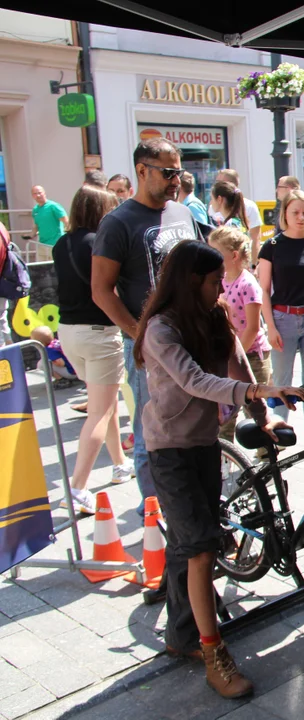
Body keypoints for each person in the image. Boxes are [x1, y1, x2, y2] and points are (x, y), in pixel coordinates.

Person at [135, 240, 304, 699]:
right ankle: (213, 653)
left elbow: (238, 363)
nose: (222, 289)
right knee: (202, 551)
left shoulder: (212, 317)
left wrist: (262, 413)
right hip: (169, 449)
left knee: (190, 542)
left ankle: (182, 634)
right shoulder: (160, 329)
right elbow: (193, 379)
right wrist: (254, 395)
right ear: (192, 281)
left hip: (205, 444)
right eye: (215, 282)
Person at [92, 137, 199, 502]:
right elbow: (101, 291)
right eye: (168, 173)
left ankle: (189, 505)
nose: (176, 181)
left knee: (195, 424)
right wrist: (140, 336)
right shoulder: (118, 222)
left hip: (192, 338)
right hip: (148, 348)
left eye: (178, 172)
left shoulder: (183, 213)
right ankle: (155, 514)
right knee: (151, 432)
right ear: (142, 170)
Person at [54, 185, 132, 514]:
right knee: (99, 411)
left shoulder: (61, 244)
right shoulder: (99, 243)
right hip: (99, 333)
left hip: (69, 332)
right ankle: (77, 487)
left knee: (105, 401)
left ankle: (119, 464)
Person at [258, 190, 304, 446]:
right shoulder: (272, 246)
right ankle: (279, 435)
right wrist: (270, 326)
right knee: (281, 380)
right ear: (285, 214)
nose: (301, 217)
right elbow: (263, 290)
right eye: (295, 212)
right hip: (282, 318)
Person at [208, 226, 272, 442]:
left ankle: (267, 457)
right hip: (228, 356)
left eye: (215, 252)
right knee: (224, 414)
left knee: (255, 412)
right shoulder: (219, 281)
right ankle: (224, 458)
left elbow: (253, 328)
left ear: (233, 256)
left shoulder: (248, 284)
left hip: (251, 357)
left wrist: (235, 358)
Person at [215, 169, 263, 257]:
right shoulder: (213, 207)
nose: (215, 185)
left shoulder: (249, 206)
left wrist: (254, 265)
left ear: (229, 183)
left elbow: (255, 238)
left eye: (218, 182)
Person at [31, 185, 69, 261]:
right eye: (35, 194)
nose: (38, 195)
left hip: (55, 244)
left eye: (39, 193)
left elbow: (66, 222)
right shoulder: (35, 210)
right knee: (41, 269)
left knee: (56, 268)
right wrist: (31, 235)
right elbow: (36, 225)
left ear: (44, 193)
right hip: (42, 244)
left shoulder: (53, 206)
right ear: (32, 196)